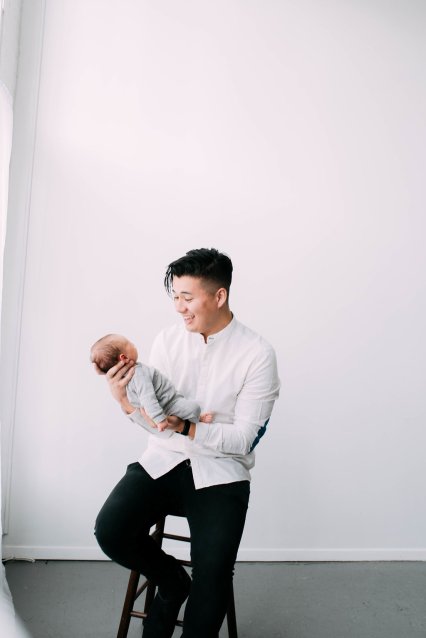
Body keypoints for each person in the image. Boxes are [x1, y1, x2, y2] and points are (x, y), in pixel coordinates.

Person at [94, 248, 280, 638]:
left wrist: (188, 428)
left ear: (219, 296)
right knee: (110, 531)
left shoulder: (258, 354)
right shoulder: (167, 340)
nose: (178, 307)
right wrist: (126, 403)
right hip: (164, 460)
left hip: (221, 472)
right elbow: (158, 425)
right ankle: (173, 582)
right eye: (175, 296)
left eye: (187, 297)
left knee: (213, 573)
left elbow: (243, 439)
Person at [90, 333, 212, 432]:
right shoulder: (138, 372)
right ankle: (198, 418)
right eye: (130, 344)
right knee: (194, 408)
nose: (134, 345)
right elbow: (147, 397)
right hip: (169, 404)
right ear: (123, 357)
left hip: (160, 407)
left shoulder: (124, 380)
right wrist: (159, 419)